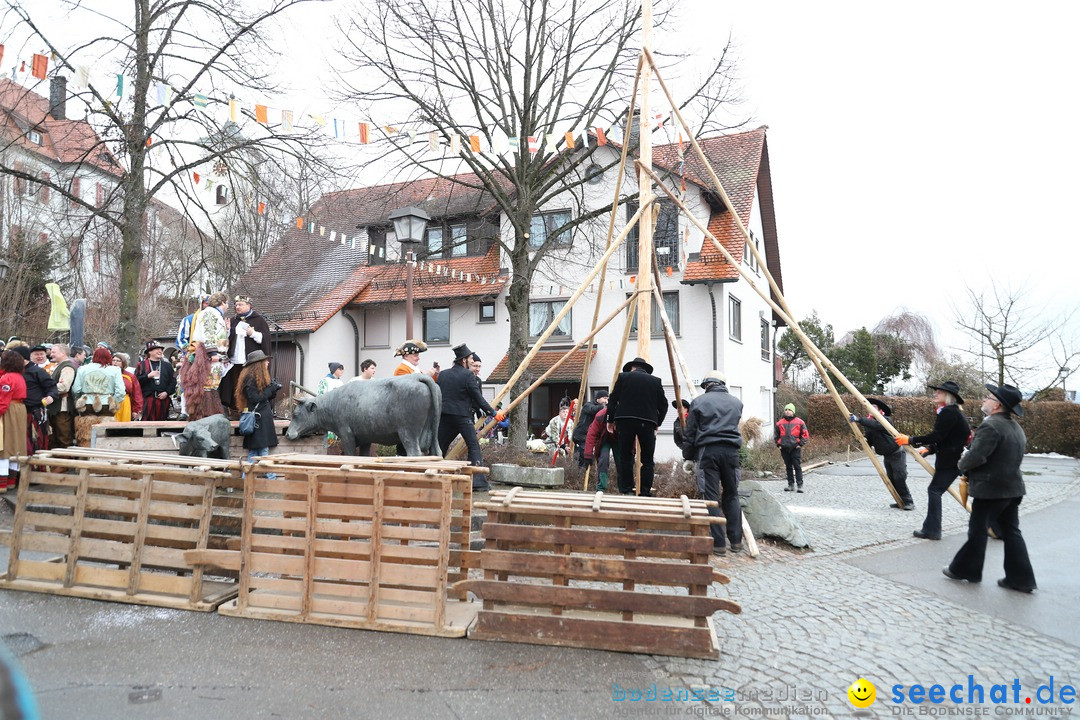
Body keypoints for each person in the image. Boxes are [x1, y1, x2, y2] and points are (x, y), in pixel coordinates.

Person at [943, 384, 1036, 592]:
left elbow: (976, 456)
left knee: (977, 530)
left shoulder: (991, 426)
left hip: (991, 490)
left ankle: (965, 570)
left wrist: (961, 465)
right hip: (1013, 489)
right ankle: (1021, 579)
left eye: (988, 397)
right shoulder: (1015, 427)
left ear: (997, 405)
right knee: (1012, 532)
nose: (984, 400)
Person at [897, 380, 971, 541]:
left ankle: (932, 530)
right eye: (936, 391)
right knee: (976, 491)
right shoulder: (951, 411)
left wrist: (910, 439)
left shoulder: (949, 412)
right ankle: (994, 525)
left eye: (939, 392)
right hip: (954, 458)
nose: (935, 393)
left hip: (952, 461)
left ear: (949, 396)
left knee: (935, 491)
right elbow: (947, 438)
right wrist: (929, 449)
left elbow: (937, 436)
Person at [682, 370, 744, 555]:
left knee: (711, 497)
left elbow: (690, 433)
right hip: (732, 452)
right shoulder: (737, 402)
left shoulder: (699, 402)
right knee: (732, 495)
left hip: (708, 451)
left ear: (707, 384)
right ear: (722, 383)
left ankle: (718, 544)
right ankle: (736, 542)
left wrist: (688, 456)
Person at [436, 343, 503, 491]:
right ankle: (477, 482)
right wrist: (494, 413)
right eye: (471, 359)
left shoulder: (443, 374)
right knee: (473, 446)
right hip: (462, 417)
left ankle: (433, 478)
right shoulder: (468, 375)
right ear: (464, 360)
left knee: (439, 447)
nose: (472, 362)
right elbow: (478, 398)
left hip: (444, 416)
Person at [606, 356, 668, 496]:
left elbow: (613, 400)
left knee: (626, 456)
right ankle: (645, 492)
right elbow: (663, 405)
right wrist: (658, 422)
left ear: (632, 368)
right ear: (645, 369)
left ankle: (627, 489)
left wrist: (610, 419)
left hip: (625, 420)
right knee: (647, 459)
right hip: (647, 422)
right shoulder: (655, 381)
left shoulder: (623, 377)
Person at [850, 398, 914, 511]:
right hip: (887, 455)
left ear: (880, 410)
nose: (870, 408)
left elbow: (877, 425)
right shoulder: (869, 423)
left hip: (897, 453)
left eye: (873, 407)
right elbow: (869, 437)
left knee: (900, 477)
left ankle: (909, 501)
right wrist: (864, 441)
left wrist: (859, 419)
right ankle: (900, 501)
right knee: (891, 479)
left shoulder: (886, 420)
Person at [180, 292, 229, 421]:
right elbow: (208, 333)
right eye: (227, 303)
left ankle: (209, 414)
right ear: (222, 302)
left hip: (216, 356)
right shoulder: (210, 313)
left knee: (212, 386)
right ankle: (206, 414)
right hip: (209, 357)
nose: (228, 306)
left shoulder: (214, 314)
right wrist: (213, 353)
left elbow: (218, 335)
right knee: (208, 386)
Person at [219, 295, 272, 412]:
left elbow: (265, 339)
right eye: (236, 305)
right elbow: (226, 341)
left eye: (241, 305)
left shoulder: (259, 320)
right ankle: (235, 410)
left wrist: (253, 333)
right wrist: (227, 330)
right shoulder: (233, 321)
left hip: (251, 363)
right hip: (235, 361)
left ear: (248, 305)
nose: (238, 307)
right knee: (234, 387)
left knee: (250, 387)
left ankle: (251, 410)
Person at [233, 350, 281, 463]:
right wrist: (271, 389)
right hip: (258, 420)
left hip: (261, 418)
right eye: (265, 361)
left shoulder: (256, 377)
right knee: (262, 451)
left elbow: (264, 397)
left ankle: (248, 477)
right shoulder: (250, 379)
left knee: (256, 452)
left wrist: (273, 389)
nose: (267, 363)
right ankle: (269, 478)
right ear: (258, 364)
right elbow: (256, 399)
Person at [72, 347, 125, 446]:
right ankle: (104, 453)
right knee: (106, 434)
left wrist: (81, 398)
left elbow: (76, 389)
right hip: (106, 405)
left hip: (87, 405)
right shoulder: (115, 370)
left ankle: (86, 455)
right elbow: (121, 392)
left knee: (86, 434)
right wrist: (114, 402)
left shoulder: (83, 369)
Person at [15, 345, 58, 454]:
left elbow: (51, 386)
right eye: (36, 354)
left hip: (35, 411)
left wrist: (51, 396)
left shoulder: (37, 371)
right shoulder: (14, 371)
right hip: (19, 411)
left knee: (38, 443)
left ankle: (39, 467)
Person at [0, 349, 29, 490]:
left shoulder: (6, 378)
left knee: (5, 446)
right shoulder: (20, 377)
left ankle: (2, 484)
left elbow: (3, 401)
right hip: (20, 410)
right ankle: (12, 481)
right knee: (17, 444)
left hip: (9, 411)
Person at [135, 341, 177, 421]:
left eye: (161, 349)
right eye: (157, 349)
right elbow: (136, 382)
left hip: (163, 401)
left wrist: (167, 392)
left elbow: (173, 381)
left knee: (161, 425)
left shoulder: (167, 365)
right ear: (150, 351)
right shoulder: (142, 365)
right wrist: (148, 376)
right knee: (147, 424)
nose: (160, 351)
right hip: (148, 400)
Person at [47, 343, 77, 449]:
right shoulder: (59, 366)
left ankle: (65, 464)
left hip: (63, 408)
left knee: (63, 438)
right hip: (57, 407)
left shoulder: (67, 367)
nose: (51, 354)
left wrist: (47, 389)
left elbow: (64, 387)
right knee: (55, 438)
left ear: (63, 353)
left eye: (54, 352)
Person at [775, 403, 809, 492]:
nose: (787, 411)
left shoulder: (800, 422)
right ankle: (790, 484)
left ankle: (800, 485)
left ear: (793, 411)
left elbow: (805, 435)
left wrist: (800, 444)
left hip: (795, 448)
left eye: (789, 410)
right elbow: (776, 435)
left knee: (797, 466)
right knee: (788, 467)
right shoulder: (779, 423)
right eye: (786, 410)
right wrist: (779, 445)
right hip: (784, 448)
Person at [584, 405, 617, 491]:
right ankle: (602, 486)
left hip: (619, 440)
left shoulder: (623, 417)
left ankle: (623, 487)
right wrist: (588, 455)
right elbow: (591, 435)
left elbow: (631, 435)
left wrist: (632, 450)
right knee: (603, 459)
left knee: (621, 461)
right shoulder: (600, 416)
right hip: (604, 439)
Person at [572, 391, 608, 467]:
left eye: (607, 399)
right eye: (604, 398)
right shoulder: (588, 406)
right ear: (598, 398)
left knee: (592, 460)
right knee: (584, 459)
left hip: (590, 437)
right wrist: (605, 407)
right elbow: (593, 410)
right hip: (581, 437)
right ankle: (579, 475)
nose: (606, 401)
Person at [318, 362, 346, 453]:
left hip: (339, 411)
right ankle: (328, 452)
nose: (342, 371)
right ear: (334, 370)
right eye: (339, 369)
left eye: (342, 369)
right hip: (328, 411)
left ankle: (337, 451)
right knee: (330, 434)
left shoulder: (341, 382)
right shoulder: (325, 381)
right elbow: (320, 396)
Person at [112, 353, 143, 422]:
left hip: (125, 403)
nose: (115, 362)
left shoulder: (130, 376)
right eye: (113, 360)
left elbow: (137, 394)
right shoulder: (108, 374)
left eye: (118, 361)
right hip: (111, 402)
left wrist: (136, 410)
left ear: (123, 363)